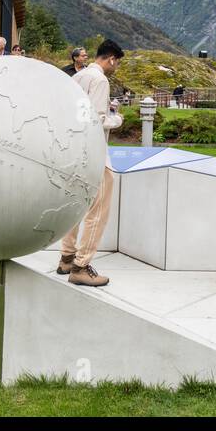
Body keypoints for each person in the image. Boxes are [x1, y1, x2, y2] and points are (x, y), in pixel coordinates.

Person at [58, 39, 125, 286]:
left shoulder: (78, 77)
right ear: (111, 59)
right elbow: (96, 120)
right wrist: (116, 120)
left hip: (73, 150)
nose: (115, 67)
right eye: (116, 63)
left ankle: (67, 256)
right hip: (94, 152)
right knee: (98, 208)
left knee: (74, 205)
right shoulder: (100, 80)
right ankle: (81, 265)